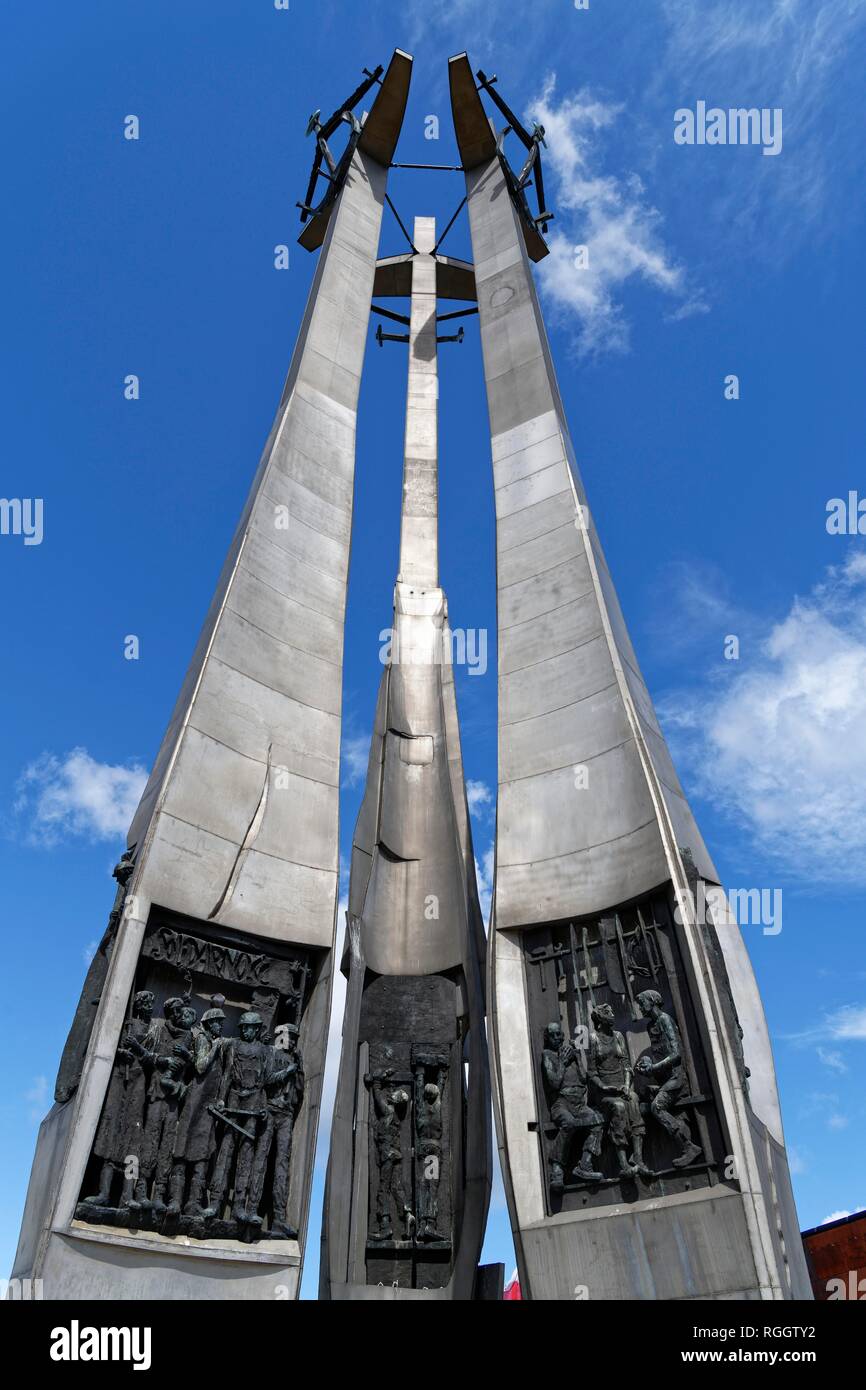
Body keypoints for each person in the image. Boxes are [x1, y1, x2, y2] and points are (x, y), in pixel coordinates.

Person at [82, 989, 156, 1209]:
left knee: (133, 1143)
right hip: (119, 1084)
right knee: (111, 1137)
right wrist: (119, 1052)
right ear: (140, 1004)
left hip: (138, 1084)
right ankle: (104, 1193)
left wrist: (137, 1048)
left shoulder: (153, 1031)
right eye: (147, 1003)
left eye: (152, 1004)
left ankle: (128, 1195)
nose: (150, 1007)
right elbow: (104, 1047)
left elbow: (153, 1060)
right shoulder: (125, 1025)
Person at [171, 1001, 229, 1218]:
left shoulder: (215, 1041)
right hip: (195, 1103)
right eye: (218, 1023)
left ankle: (192, 1204)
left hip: (208, 1106)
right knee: (183, 1149)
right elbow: (201, 1066)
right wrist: (216, 1046)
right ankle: (176, 1201)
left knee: (203, 1154)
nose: (221, 1026)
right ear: (210, 1023)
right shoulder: (204, 1040)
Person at [635, 990, 701, 1168]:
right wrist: (648, 1063)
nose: (640, 1008)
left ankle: (689, 1147)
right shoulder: (651, 1026)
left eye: (642, 1003)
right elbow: (660, 1054)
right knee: (641, 1106)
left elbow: (676, 1054)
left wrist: (654, 1067)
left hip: (676, 1079)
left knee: (657, 1107)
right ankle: (638, 1157)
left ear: (652, 1001)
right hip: (664, 1080)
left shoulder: (664, 1020)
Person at [587, 1003, 652, 1178]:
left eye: (612, 1011)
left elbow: (625, 1064)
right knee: (619, 1107)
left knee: (634, 1100)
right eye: (608, 1013)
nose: (612, 1015)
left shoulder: (618, 1036)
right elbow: (591, 1072)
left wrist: (626, 1083)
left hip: (621, 1087)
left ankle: (638, 1158)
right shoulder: (593, 1039)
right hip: (605, 1092)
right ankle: (623, 1164)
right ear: (600, 1018)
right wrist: (603, 1086)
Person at [541, 1021, 603, 1188]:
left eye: (559, 1034)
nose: (556, 1038)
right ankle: (557, 1170)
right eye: (552, 1035)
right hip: (561, 1104)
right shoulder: (547, 1055)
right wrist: (562, 1061)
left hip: (579, 1103)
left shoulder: (571, 1052)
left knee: (597, 1121)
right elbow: (554, 1083)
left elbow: (584, 1078)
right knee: (568, 1123)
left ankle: (585, 1165)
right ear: (548, 1038)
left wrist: (577, 1056)